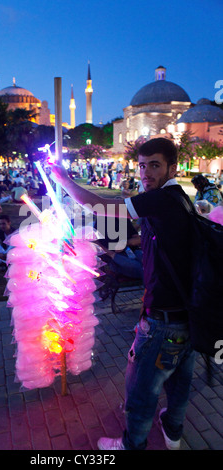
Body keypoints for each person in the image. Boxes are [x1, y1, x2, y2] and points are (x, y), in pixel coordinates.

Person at [51, 137, 196, 451]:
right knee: (179, 383)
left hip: (162, 321)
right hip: (186, 314)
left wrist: (63, 178)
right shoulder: (179, 199)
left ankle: (132, 445)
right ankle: (172, 432)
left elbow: (100, 206)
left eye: (154, 165)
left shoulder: (162, 199)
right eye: (142, 165)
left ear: (172, 167)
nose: (145, 172)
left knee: (140, 389)